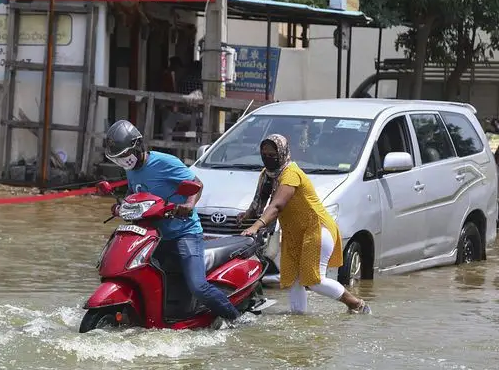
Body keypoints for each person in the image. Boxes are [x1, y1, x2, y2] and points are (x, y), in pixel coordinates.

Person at [104, 119, 240, 327]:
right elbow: (134, 194)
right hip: (152, 234)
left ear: (137, 146)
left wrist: (188, 205)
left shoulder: (165, 162)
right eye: (118, 158)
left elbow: (196, 184)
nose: (123, 160)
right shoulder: (130, 169)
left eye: (124, 155)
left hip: (183, 232)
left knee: (198, 286)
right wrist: (122, 206)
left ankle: (235, 320)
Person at [238, 134, 371, 315]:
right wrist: (246, 216)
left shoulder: (291, 174)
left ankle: (356, 304)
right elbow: (259, 202)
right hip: (293, 233)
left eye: (272, 154)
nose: (268, 158)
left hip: (315, 229)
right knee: (294, 280)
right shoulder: (267, 176)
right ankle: (299, 318)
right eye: (264, 154)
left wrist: (255, 226)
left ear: (283, 152)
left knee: (313, 280)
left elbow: (277, 205)